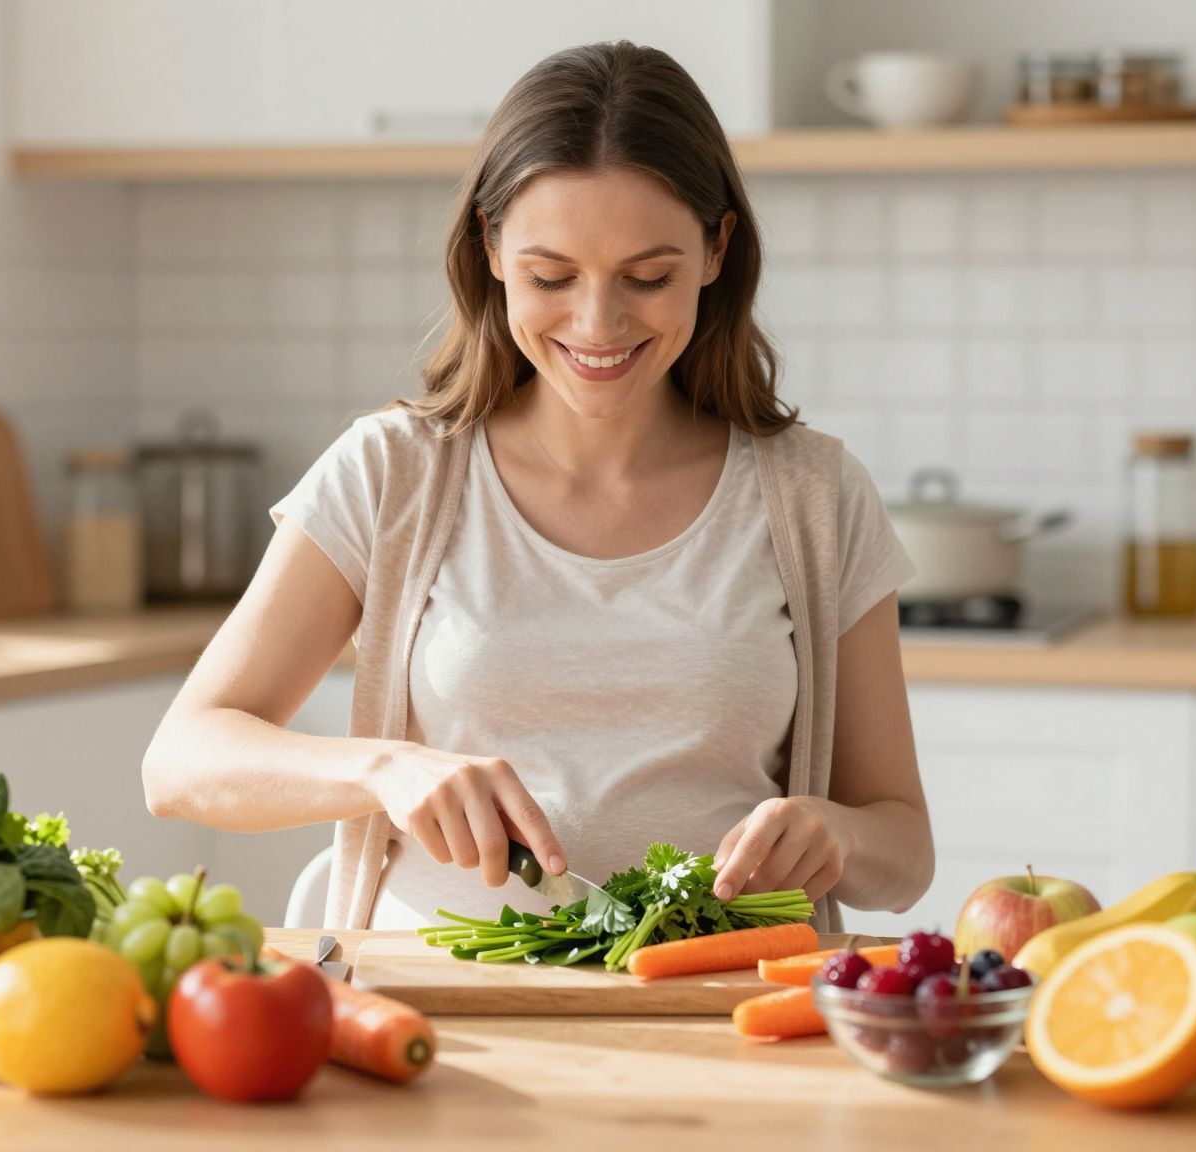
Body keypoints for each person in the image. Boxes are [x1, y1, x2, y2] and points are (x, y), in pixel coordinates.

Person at [143, 40, 933, 931]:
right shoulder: (393, 474)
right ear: (489, 246)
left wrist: (837, 835)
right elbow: (180, 763)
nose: (598, 324)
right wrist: (383, 770)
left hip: (726, 998)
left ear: (717, 250)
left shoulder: (815, 497)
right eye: (551, 276)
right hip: (434, 1001)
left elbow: (904, 859)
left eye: (648, 277)